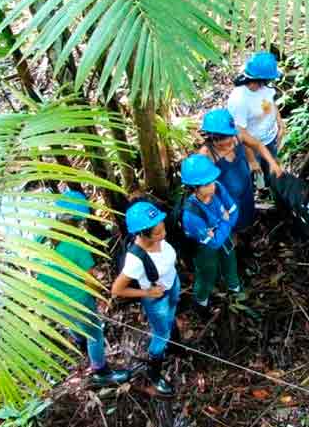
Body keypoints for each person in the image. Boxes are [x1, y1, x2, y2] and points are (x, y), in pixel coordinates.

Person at [38, 191, 130, 387]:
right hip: (78, 299)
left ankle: (80, 341)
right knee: (95, 333)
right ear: (79, 219)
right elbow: (90, 281)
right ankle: (101, 372)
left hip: (52, 299)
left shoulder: (42, 237)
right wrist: (102, 294)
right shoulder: (77, 246)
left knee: (72, 323)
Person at [111, 200, 181, 395]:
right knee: (161, 333)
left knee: (173, 312)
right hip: (156, 299)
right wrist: (147, 293)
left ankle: (174, 345)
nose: (163, 234)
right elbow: (116, 290)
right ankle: (154, 372)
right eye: (158, 233)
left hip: (171, 284)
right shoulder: (135, 260)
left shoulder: (158, 238)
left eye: (163, 228)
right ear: (142, 233)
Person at [198, 108, 281, 234]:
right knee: (234, 225)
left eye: (227, 137)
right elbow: (201, 185)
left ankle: (251, 232)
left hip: (247, 188)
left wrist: (272, 163)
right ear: (211, 136)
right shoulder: (207, 154)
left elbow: (257, 144)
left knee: (249, 214)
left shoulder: (239, 134)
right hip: (228, 200)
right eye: (218, 139)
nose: (224, 142)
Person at [178, 154, 241, 311]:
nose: (212, 185)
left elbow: (234, 211)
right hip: (203, 249)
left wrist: (221, 228)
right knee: (207, 273)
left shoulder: (217, 188)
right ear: (195, 187)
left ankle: (234, 288)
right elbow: (213, 242)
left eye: (212, 180)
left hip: (222, 236)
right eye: (207, 184)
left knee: (230, 260)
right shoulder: (191, 214)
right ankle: (201, 301)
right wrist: (225, 221)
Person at [227, 51, 286, 160]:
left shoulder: (266, 87)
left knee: (271, 171)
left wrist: (281, 125)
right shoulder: (239, 100)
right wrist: (252, 161)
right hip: (253, 148)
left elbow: (271, 103)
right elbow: (241, 134)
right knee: (256, 175)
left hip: (270, 139)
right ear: (260, 80)